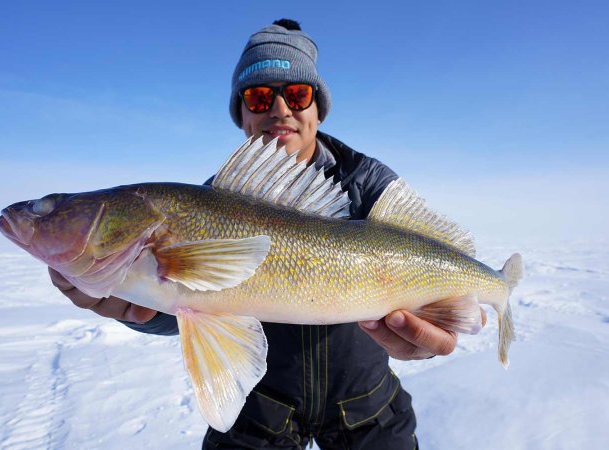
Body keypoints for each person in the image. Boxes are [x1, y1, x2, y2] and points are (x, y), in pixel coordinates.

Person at [50, 19, 466, 449]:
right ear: (242, 114)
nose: (280, 109)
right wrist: (140, 309)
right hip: (262, 410)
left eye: (298, 94)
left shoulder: (370, 186)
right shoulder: (211, 203)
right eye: (260, 96)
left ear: (318, 109)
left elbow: (428, 274)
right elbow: (194, 306)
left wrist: (432, 333)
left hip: (368, 406)